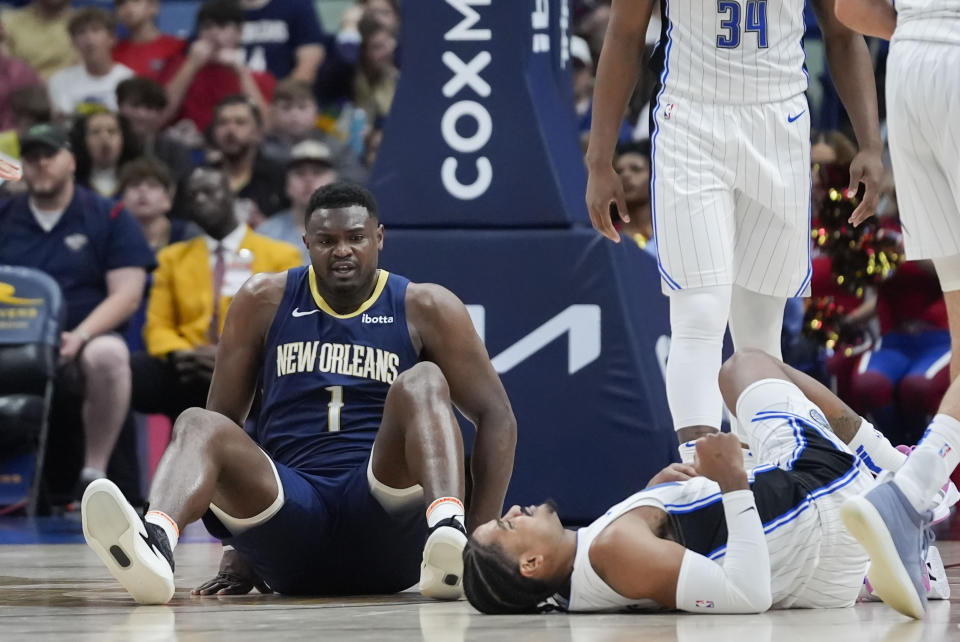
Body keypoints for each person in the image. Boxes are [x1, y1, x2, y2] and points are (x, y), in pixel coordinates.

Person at [81, 182, 517, 604]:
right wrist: (238, 549)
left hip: (384, 515)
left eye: (355, 238)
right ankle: (154, 543)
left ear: (379, 238)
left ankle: (451, 531)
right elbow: (222, 425)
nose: (342, 250)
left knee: (422, 380)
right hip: (291, 516)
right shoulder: (263, 299)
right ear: (306, 242)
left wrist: (482, 537)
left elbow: (497, 416)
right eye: (327, 240)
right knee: (198, 421)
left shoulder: (425, 306)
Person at [584, 0, 886, 463]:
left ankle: (765, 478)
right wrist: (598, 158)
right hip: (690, 120)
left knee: (760, 335)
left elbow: (843, 33)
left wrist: (869, 142)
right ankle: (703, 479)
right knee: (699, 316)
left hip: (779, 121)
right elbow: (625, 35)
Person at [462, 349, 952, 618]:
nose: (514, 510)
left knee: (743, 387)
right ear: (531, 564)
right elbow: (746, 596)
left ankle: (890, 523)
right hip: (824, 494)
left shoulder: (591, 570)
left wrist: (658, 493)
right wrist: (733, 484)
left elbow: (682, 545)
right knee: (744, 368)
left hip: (821, 569)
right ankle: (898, 472)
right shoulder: (613, 552)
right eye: (505, 527)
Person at [0, 123, 155, 500]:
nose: (40, 165)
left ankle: (93, 471)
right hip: (10, 336)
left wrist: (80, 335)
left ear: (71, 160)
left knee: (110, 355)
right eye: (31, 158)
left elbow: (127, 295)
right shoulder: (4, 214)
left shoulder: (109, 215)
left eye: (49, 156)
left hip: (82, 334)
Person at [835, 2, 960, 383]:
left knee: (956, 290)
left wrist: (917, 34)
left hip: (908, 62)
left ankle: (948, 442)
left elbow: (851, 7)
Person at [134, 166, 302, 420]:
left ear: (230, 195)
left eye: (209, 192)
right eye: (193, 196)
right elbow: (157, 326)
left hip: (253, 367)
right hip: (190, 367)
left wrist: (231, 357)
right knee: (138, 368)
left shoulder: (280, 255)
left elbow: (290, 323)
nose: (200, 200)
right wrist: (183, 353)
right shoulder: (172, 258)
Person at [163, 0, 275, 135]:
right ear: (199, 32)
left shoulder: (259, 77)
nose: (214, 33)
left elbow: (267, 127)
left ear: (240, 33)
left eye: (222, 26)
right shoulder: (177, 67)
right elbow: (160, 116)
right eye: (207, 27)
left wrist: (240, 72)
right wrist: (191, 65)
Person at [262, 79, 367, 184]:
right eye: (286, 107)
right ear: (272, 112)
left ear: (316, 113)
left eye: (302, 107)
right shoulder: (262, 147)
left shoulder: (335, 146)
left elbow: (356, 179)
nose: (294, 114)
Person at [257, 140, 338, 263]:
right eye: (300, 173)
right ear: (287, 185)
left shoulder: (350, 232)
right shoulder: (266, 234)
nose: (308, 180)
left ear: (334, 181)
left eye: (317, 173)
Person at [209, 95, 288, 219]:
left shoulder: (279, 176)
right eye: (222, 123)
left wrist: (267, 227)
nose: (230, 130)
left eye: (240, 122)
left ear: (257, 131)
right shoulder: (201, 177)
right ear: (213, 131)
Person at [48, 8, 134, 117]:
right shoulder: (59, 81)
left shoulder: (128, 79)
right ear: (73, 42)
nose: (89, 39)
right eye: (81, 32)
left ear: (112, 38)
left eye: (96, 30)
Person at [115, 77, 195, 185]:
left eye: (149, 107)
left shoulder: (175, 151)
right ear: (119, 107)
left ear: (160, 114)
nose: (141, 115)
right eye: (135, 105)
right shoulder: (108, 147)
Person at [239, 0, 326, 85]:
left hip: (282, 91)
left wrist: (284, 94)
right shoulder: (227, 7)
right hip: (233, 92)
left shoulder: (295, 4)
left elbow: (310, 60)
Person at [71, 110, 141, 199]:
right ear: (82, 140)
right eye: (95, 132)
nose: (105, 138)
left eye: (112, 131)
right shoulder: (72, 185)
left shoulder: (138, 181)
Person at [0, 0, 75, 80]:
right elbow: (6, 70)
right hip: (25, 87)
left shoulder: (84, 23)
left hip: (74, 87)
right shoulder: (8, 22)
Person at [112, 0, 185, 83]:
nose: (128, 8)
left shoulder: (177, 47)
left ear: (153, 7)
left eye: (136, 1)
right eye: (121, 3)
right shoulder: (112, 52)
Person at [613, 140, 654, 256]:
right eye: (618, 172)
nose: (625, 176)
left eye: (636, 169)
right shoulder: (606, 237)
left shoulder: (671, 230)